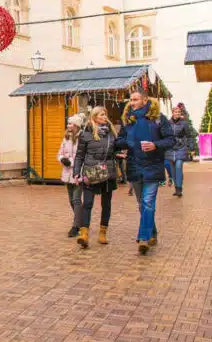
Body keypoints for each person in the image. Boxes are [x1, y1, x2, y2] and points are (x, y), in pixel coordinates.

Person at [117, 91, 174, 255]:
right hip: (134, 167)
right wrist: (124, 143)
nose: (132, 102)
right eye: (131, 100)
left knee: (148, 202)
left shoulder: (158, 119)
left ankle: (143, 238)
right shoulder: (129, 120)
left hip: (153, 166)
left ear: (144, 100)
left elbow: (171, 139)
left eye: (135, 99)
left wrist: (155, 145)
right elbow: (120, 140)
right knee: (142, 205)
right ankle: (152, 232)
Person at [73, 107, 119, 249]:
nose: (104, 117)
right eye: (101, 115)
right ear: (94, 117)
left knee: (106, 204)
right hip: (90, 172)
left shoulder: (111, 133)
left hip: (107, 173)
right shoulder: (86, 133)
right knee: (87, 203)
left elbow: (117, 148)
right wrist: (76, 172)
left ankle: (102, 233)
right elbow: (80, 155)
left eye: (105, 114)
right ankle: (84, 234)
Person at [58, 114, 84, 237]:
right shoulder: (66, 138)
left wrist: (71, 162)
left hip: (78, 173)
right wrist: (62, 159)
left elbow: (81, 156)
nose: (68, 126)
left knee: (76, 199)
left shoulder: (82, 138)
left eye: (70, 123)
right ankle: (82, 221)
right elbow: (60, 153)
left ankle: (76, 226)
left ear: (77, 125)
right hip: (67, 173)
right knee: (71, 200)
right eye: (68, 123)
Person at [166, 105, 190, 197]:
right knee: (173, 170)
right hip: (170, 148)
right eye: (176, 112)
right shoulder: (168, 123)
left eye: (179, 112)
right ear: (173, 113)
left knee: (179, 166)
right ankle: (176, 188)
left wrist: (190, 146)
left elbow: (189, 135)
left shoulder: (184, 123)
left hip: (181, 147)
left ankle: (179, 189)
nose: (177, 114)